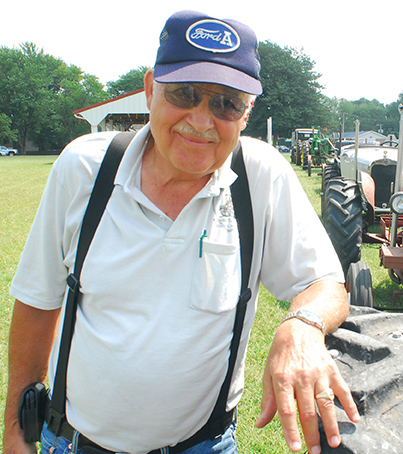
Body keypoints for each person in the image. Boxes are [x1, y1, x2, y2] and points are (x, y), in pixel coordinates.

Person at [3, 9, 360, 454]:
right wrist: (17, 433)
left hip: (201, 445)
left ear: (247, 113)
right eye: (185, 93)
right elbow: (38, 300)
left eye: (226, 102)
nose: (202, 119)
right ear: (151, 90)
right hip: (73, 441)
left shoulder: (260, 176)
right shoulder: (84, 169)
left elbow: (326, 283)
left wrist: (302, 325)